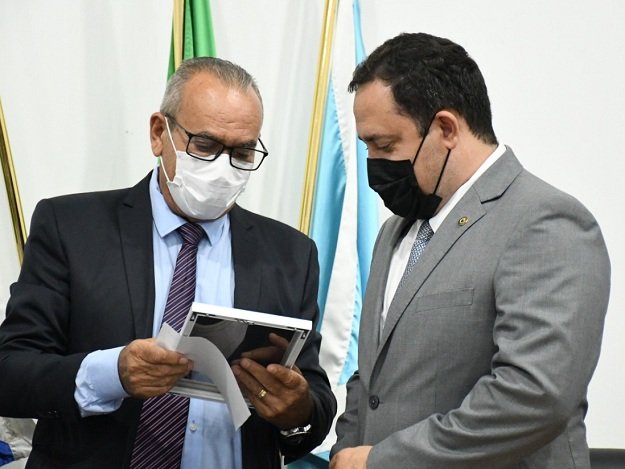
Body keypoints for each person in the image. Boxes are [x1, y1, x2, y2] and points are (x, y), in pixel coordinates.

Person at [0, 57, 336, 468]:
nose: (223, 168)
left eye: (243, 152)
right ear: (159, 133)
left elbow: (314, 403)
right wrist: (113, 373)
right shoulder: (71, 228)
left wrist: (296, 410)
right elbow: (10, 373)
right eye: (205, 145)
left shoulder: (291, 254)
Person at [330, 32, 610, 469]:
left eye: (384, 146)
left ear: (445, 128)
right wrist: (345, 452)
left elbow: (534, 395)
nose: (374, 163)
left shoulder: (545, 222)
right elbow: (372, 378)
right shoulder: (394, 232)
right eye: (367, 146)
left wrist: (384, 461)